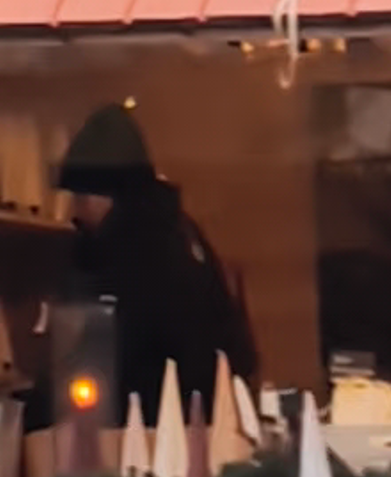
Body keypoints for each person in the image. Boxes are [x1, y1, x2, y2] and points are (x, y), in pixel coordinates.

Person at [54, 99, 258, 421]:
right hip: (200, 422)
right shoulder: (181, 232)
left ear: (107, 195)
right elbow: (237, 349)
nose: (75, 212)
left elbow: (109, 353)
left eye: (81, 198)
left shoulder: (132, 249)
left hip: (147, 429)